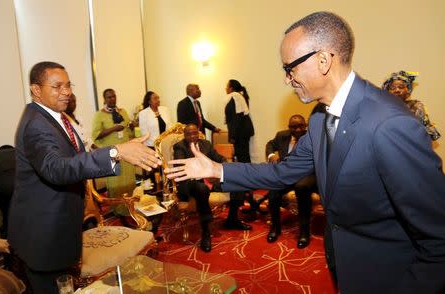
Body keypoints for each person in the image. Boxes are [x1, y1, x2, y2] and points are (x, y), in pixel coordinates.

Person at [165, 12, 445, 294]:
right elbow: (282, 172)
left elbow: (438, 239)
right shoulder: (320, 119)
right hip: (345, 265)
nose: (287, 80)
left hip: (389, 277)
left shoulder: (390, 124)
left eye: (290, 68)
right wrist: (216, 170)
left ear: (323, 60)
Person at [8, 61, 160, 293]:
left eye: (68, 85)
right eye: (57, 86)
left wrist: (120, 149)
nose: (66, 92)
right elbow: (56, 168)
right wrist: (115, 152)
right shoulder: (36, 125)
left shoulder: (55, 116)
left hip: (60, 229)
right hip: (44, 236)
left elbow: (77, 157)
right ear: (36, 90)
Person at [174, 124, 251, 253]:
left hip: (209, 180)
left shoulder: (206, 144)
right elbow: (182, 168)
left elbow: (218, 158)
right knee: (202, 188)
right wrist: (206, 173)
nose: (192, 136)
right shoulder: (179, 147)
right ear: (185, 135)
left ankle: (232, 219)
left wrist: (225, 167)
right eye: (189, 134)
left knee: (236, 180)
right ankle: (205, 231)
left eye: (195, 133)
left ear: (198, 133)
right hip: (190, 183)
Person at [265, 114, 316, 248]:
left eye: (301, 126)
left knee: (302, 187)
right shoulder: (282, 135)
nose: (298, 129)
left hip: (307, 173)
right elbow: (270, 144)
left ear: (305, 125)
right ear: (289, 128)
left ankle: (304, 232)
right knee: (274, 188)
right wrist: (271, 155)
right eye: (294, 127)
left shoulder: (313, 137)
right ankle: (275, 227)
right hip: (287, 172)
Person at [92, 88, 137, 215]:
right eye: (109, 97)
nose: (112, 99)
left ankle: (130, 206)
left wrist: (132, 127)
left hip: (126, 151)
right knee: (115, 180)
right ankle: (117, 209)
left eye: (113, 96)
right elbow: (96, 135)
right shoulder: (99, 115)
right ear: (104, 99)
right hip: (112, 152)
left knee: (128, 178)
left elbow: (129, 130)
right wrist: (113, 128)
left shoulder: (123, 112)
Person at [382, 70, 441, 141]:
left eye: (401, 87)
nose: (397, 90)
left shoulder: (416, 106)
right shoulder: (383, 108)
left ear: (408, 90)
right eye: (392, 88)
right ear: (387, 92)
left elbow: (426, 131)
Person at [224, 79, 254, 163]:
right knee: (243, 156)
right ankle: (247, 174)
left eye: (227, 86)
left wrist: (232, 136)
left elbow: (235, 118)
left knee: (243, 157)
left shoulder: (235, 97)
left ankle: (247, 175)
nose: (225, 88)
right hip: (242, 131)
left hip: (240, 132)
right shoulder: (239, 96)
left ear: (231, 88)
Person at [0, 145, 15, 239]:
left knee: (6, 214)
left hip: (3, 188)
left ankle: (6, 236)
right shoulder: (17, 152)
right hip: (22, 186)